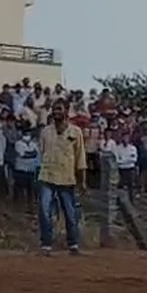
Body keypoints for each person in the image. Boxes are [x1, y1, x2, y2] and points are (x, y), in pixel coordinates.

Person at [37, 99, 87, 256]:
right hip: (47, 176)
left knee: (70, 214)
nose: (56, 112)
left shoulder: (76, 132)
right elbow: (41, 153)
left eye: (59, 109)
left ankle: (73, 244)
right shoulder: (45, 131)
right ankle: (46, 244)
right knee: (44, 211)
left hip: (67, 178)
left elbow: (80, 158)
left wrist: (82, 181)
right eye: (54, 109)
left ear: (67, 110)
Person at [13, 129, 39, 211]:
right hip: (20, 169)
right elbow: (23, 155)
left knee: (30, 189)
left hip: (31, 169)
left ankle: (30, 207)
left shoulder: (33, 143)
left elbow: (36, 154)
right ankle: (19, 206)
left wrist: (29, 154)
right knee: (19, 188)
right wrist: (31, 154)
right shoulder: (18, 144)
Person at [115, 132, 138, 203]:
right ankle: (119, 201)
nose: (126, 139)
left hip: (130, 169)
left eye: (127, 138)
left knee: (130, 185)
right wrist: (127, 159)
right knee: (120, 185)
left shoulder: (133, 148)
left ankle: (131, 200)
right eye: (124, 137)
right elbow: (117, 160)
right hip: (121, 169)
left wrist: (123, 159)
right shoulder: (118, 148)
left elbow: (134, 159)